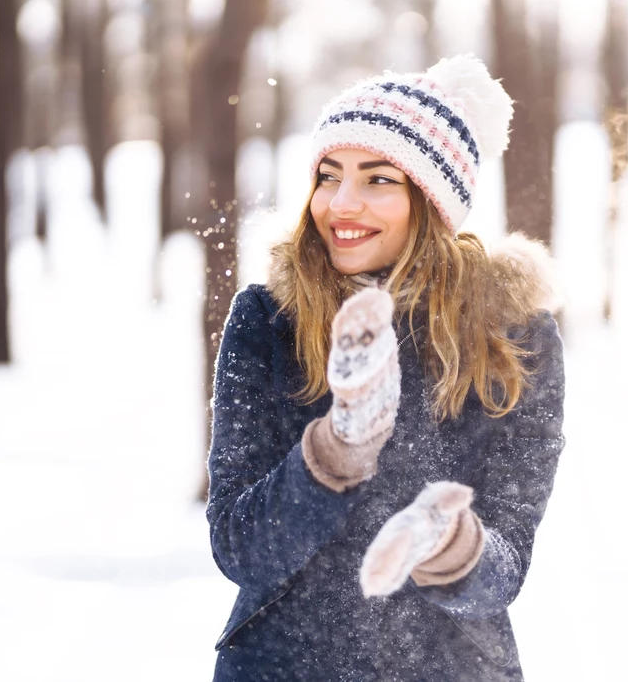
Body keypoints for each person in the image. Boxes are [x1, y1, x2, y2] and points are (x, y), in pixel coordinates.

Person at [206, 54, 566, 681]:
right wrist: (335, 454)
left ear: (432, 201)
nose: (341, 204)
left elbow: (502, 573)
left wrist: (447, 543)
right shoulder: (269, 321)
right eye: (327, 175)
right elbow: (240, 547)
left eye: (378, 180)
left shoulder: (514, 338)